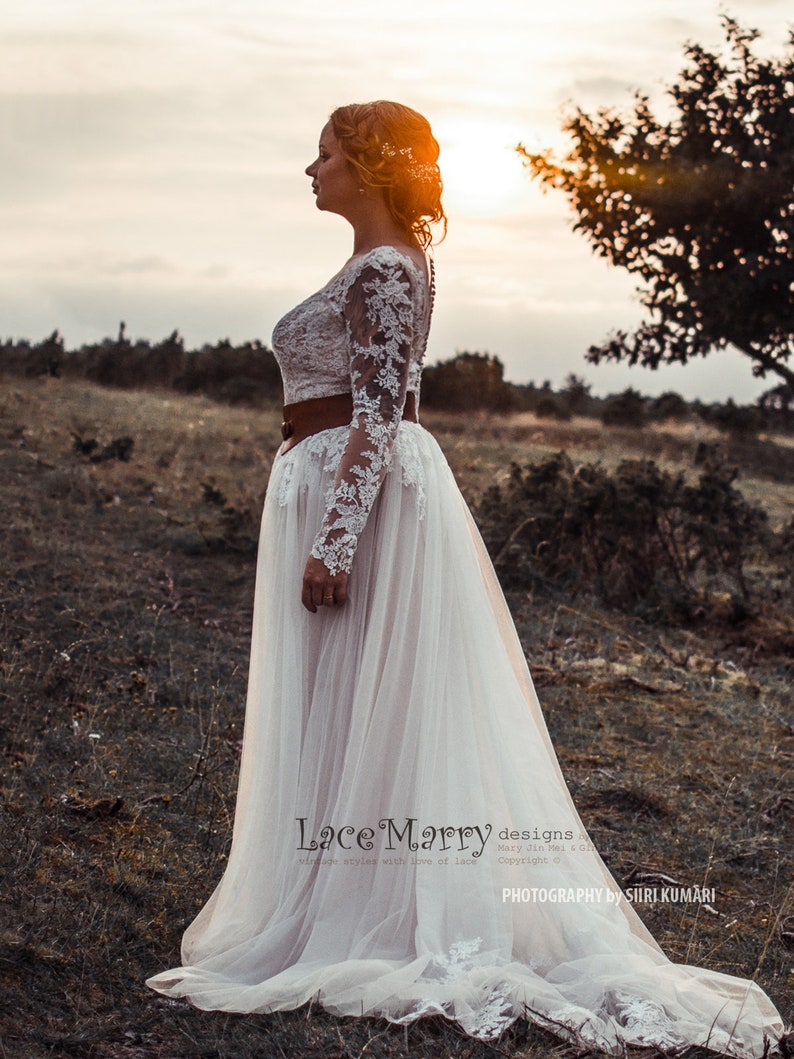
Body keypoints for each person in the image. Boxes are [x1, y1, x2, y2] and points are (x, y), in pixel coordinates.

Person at [147, 101, 786, 1055]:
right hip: (331, 485)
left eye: (324, 154)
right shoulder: (374, 264)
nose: (309, 168)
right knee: (338, 696)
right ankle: (332, 888)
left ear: (367, 166)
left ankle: (381, 907)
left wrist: (340, 533)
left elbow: (379, 411)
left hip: (359, 501)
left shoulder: (394, 268)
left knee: (377, 694)